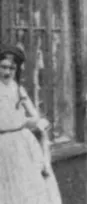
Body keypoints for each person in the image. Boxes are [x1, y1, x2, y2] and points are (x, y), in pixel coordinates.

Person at [0, 46, 62, 204]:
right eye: (3, 67)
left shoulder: (18, 90)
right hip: (2, 145)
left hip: (22, 145)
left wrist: (38, 122)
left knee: (27, 188)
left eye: (12, 69)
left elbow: (34, 116)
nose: (7, 72)